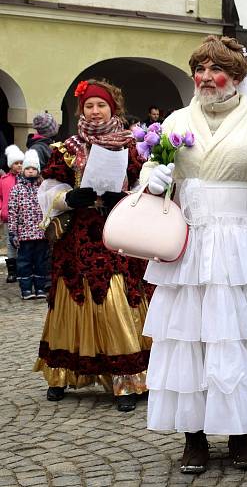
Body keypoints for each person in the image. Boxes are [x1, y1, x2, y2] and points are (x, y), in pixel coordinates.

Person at [141, 35, 247, 475]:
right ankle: (193, 437)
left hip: (243, 246)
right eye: (199, 70)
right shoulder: (178, 119)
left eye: (214, 70)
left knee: (242, 337)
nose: (204, 78)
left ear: (235, 77)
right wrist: (154, 176)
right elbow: (154, 170)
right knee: (190, 339)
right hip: (191, 244)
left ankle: (240, 432)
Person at [33, 78, 151, 412]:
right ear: (81, 110)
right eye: (89, 106)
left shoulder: (132, 145)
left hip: (118, 236)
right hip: (77, 240)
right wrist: (69, 197)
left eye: (102, 105)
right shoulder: (67, 148)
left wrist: (126, 196)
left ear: (113, 108)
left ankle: (128, 379)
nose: (95, 112)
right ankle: (63, 373)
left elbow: (148, 185)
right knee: (73, 301)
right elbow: (48, 191)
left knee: (118, 299)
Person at [7, 150, 48, 299]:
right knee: (24, 262)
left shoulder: (42, 188)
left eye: (33, 169)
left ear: (37, 170)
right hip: (24, 234)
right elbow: (12, 212)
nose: (30, 171)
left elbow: (47, 208)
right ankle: (26, 289)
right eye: (28, 169)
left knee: (40, 262)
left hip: (41, 233)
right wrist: (13, 232)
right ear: (23, 170)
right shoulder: (17, 189)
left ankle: (40, 288)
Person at [2, 145, 25, 282]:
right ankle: (12, 271)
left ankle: (23, 268)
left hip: (22, 216)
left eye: (21, 163)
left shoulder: (25, 180)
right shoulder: (4, 180)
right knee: (10, 243)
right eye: (16, 163)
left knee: (21, 242)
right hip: (7, 216)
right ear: (11, 164)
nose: (19, 166)